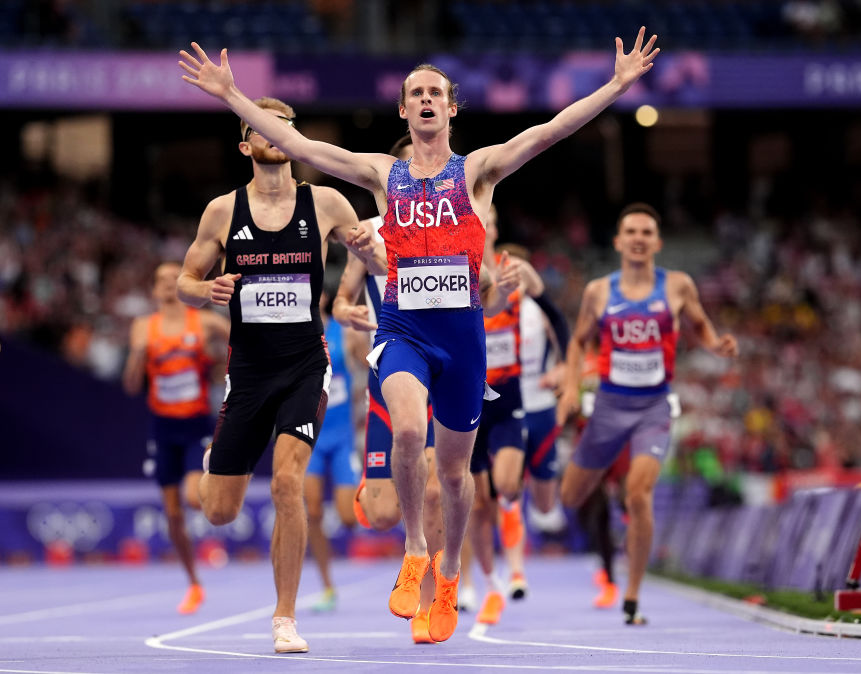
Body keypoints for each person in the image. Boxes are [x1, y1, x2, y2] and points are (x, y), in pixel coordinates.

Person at [178, 28, 660, 642]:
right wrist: (232, 96)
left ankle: (450, 574)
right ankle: (413, 553)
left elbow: (551, 130)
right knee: (408, 429)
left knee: (455, 477)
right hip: (404, 329)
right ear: (404, 109)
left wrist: (615, 86)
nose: (427, 99)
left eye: (436, 92)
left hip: (462, 337)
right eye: (416, 93)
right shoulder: (381, 173)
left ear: (451, 108)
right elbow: (296, 140)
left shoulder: (478, 171)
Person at [174, 96, 369, 653]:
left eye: (283, 124)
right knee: (219, 511)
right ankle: (215, 464)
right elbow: (187, 279)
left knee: (288, 483)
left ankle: (285, 618)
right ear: (246, 145)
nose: (273, 132)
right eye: (261, 126)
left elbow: (370, 250)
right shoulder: (222, 211)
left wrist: (354, 287)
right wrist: (205, 290)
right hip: (249, 374)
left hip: (307, 365)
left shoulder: (326, 202)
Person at [556, 203, 738, 626]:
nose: (639, 239)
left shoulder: (677, 286)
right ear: (619, 242)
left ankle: (632, 596)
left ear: (657, 242)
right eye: (631, 232)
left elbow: (701, 326)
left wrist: (716, 345)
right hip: (607, 407)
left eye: (646, 232)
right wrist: (569, 387)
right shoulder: (599, 291)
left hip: (653, 408)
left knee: (638, 493)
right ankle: (617, 553)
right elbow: (578, 341)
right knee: (570, 496)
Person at [331, 134, 446, 644]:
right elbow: (341, 301)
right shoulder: (371, 230)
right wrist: (348, 314)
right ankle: (375, 487)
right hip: (392, 368)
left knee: (439, 488)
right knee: (380, 516)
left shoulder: (452, 218)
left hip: (443, 365)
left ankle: (428, 603)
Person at [122, 261, 230, 615]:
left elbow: (241, 340)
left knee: (193, 499)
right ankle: (195, 583)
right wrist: (138, 354)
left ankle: (223, 497)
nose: (168, 285)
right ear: (153, 290)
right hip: (162, 427)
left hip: (196, 423)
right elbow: (131, 386)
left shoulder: (205, 322)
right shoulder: (143, 328)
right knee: (172, 513)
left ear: (184, 285)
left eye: (174, 279)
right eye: (161, 281)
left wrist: (219, 363)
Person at [467, 205, 546, 625]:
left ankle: (512, 514)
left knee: (506, 485)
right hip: (468, 397)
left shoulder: (511, 268)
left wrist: (564, 363)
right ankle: (491, 582)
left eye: (491, 220)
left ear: (496, 227)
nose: (485, 226)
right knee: (479, 504)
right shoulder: (454, 266)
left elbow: (546, 304)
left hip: (509, 395)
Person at [502, 243, 570, 602]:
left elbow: (566, 345)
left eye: (520, 270)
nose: (513, 275)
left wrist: (561, 369)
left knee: (544, 506)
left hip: (542, 406)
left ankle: (545, 502)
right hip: (509, 405)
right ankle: (516, 572)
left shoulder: (539, 311)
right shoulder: (489, 305)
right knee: (510, 490)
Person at [304, 288, 360, 614]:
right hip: (311, 437)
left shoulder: (345, 332)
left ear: (324, 296)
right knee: (311, 511)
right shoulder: (294, 334)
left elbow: (370, 362)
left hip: (342, 438)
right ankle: (327, 587)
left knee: (348, 517)